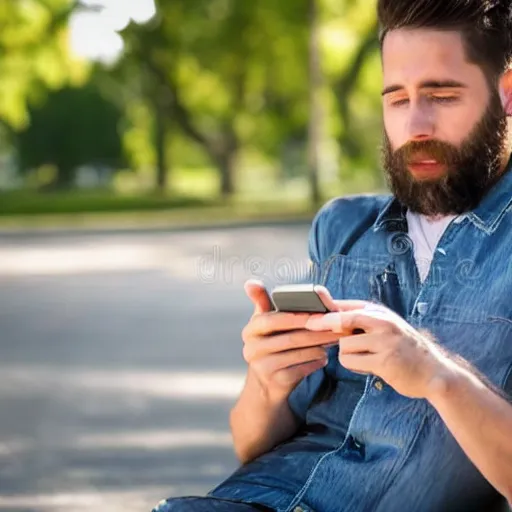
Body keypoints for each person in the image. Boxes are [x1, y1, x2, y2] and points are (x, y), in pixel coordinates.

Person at [152, 0, 512, 510]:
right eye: (396, 98)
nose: (415, 125)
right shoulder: (342, 228)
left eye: (442, 95)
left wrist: (438, 377)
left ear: (507, 93)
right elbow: (251, 448)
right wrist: (266, 381)